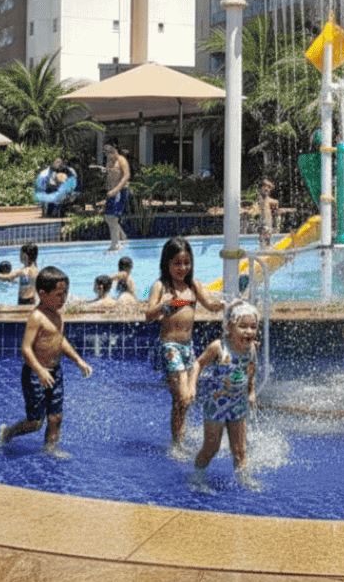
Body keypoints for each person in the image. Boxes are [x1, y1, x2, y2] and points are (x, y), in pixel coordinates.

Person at [0, 266, 92, 458]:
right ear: (42, 294)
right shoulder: (37, 317)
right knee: (35, 422)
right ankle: (8, 432)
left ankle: (50, 449)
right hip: (35, 374)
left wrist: (79, 361)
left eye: (65, 293)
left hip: (55, 372)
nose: (63, 298)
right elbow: (26, 348)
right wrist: (40, 371)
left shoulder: (57, 315)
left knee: (56, 416)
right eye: (58, 294)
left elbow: (60, 341)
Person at [145, 236, 225, 454]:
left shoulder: (193, 285)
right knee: (182, 395)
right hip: (170, 347)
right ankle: (178, 444)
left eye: (186, 262)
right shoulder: (161, 286)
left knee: (185, 400)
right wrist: (164, 305)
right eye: (177, 263)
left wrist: (219, 305)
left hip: (188, 347)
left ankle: (178, 438)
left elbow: (208, 304)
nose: (182, 268)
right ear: (167, 263)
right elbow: (148, 316)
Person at [189, 298, 260, 492]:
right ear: (230, 327)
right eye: (243, 326)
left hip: (238, 404)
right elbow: (198, 364)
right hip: (216, 406)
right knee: (211, 448)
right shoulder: (219, 347)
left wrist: (251, 391)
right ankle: (196, 477)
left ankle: (245, 481)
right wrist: (192, 387)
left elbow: (250, 369)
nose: (249, 331)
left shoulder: (252, 348)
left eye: (253, 327)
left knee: (240, 450)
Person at [102, 144, 130, 252]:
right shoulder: (109, 161)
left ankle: (115, 245)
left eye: (110, 156)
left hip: (120, 191)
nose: (109, 159)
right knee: (108, 218)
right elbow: (111, 174)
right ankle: (122, 238)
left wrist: (116, 190)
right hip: (111, 192)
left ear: (114, 152)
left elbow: (126, 176)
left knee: (112, 218)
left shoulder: (121, 160)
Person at [251, 178, 280, 248]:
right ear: (259, 188)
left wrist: (277, 227)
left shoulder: (273, 202)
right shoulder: (256, 202)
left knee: (269, 243)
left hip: (268, 226)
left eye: (268, 188)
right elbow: (252, 216)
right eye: (264, 186)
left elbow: (277, 215)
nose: (266, 189)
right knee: (262, 244)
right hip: (260, 226)